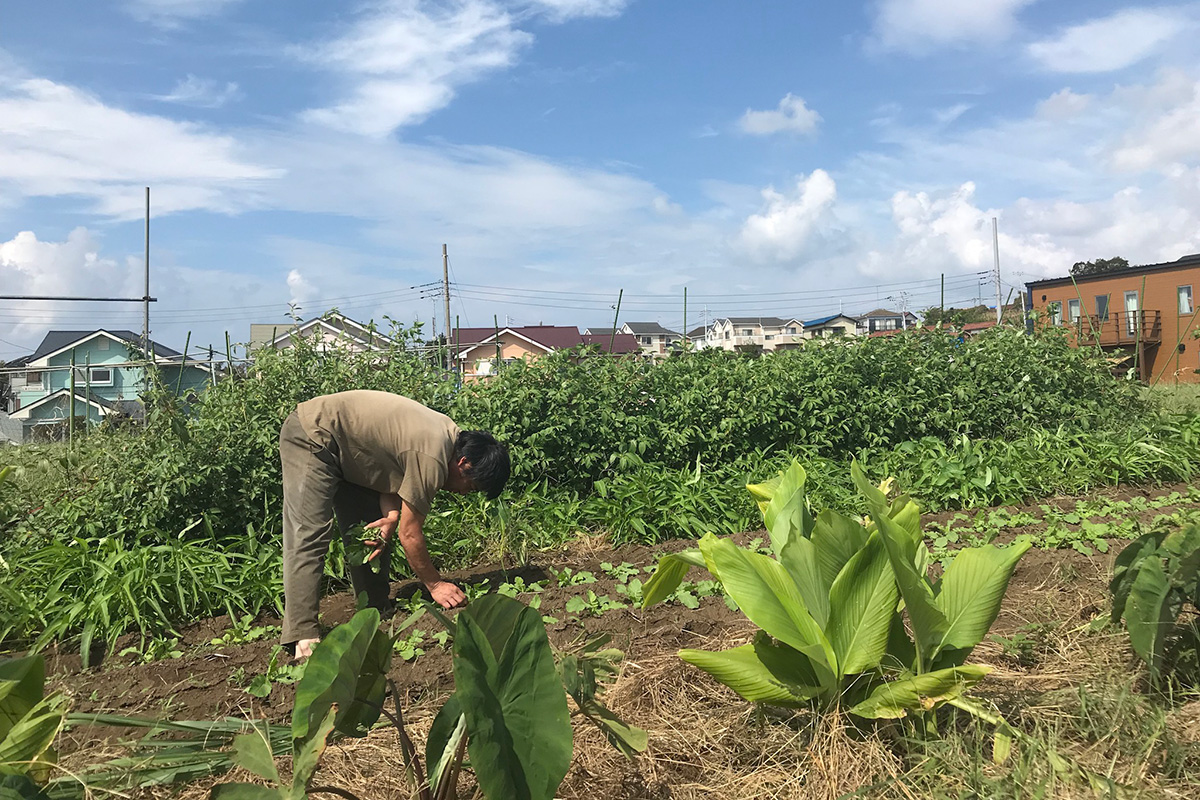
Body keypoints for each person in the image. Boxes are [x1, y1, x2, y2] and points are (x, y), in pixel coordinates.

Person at [278, 389, 510, 659]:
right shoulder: (434, 456)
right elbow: (410, 535)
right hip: (315, 434)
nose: (463, 492)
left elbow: (392, 465)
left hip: (351, 450)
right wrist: (435, 585)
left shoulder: (449, 437)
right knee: (309, 533)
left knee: (371, 531)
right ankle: (302, 634)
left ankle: (375, 610)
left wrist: (390, 516)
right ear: (463, 463)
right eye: (469, 485)